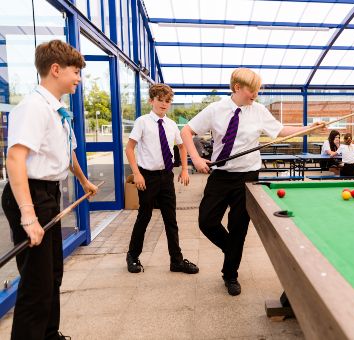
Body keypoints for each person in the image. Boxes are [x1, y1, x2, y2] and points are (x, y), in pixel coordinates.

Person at [181, 68, 322, 296]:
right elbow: (187, 131)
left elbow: (281, 130)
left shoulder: (258, 111)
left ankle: (230, 275)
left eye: (257, 89)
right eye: (252, 90)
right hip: (221, 175)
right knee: (207, 221)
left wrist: (310, 129)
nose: (255, 94)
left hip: (248, 176)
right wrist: (196, 159)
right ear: (237, 88)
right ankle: (232, 251)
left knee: (239, 228)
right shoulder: (216, 109)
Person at [1, 39, 98, 340]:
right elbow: (15, 158)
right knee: (36, 284)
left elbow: (68, 154)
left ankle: (49, 334)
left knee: (53, 273)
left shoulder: (58, 111)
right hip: (30, 195)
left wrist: (83, 181)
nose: (79, 79)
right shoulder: (33, 108)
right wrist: (29, 216)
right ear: (55, 69)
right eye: (75, 72)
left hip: (49, 193)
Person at [125, 83, 198, 275]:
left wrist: (184, 169)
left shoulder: (172, 124)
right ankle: (132, 256)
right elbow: (129, 148)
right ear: (151, 101)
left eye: (168, 101)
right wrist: (137, 174)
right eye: (160, 100)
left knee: (170, 219)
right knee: (145, 216)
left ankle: (177, 261)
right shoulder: (142, 122)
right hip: (147, 176)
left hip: (166, 177)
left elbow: (182, 147)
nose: (164, 104)